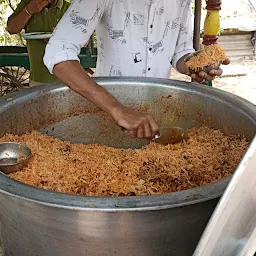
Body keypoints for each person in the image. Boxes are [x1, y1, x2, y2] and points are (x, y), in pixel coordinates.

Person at [43, 0, 230, 139]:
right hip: (107, 111)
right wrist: (118, 110)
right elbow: (58, 51)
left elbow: (180, 52)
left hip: (157, 111)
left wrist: (195, 63)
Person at [7, 0, 71, 86]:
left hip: (68, 78)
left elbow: (83, 39)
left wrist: (61, 37)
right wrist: (29, 10)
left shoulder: (69, 8)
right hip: (38, 78)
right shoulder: (28, 3)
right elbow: (12, 29)